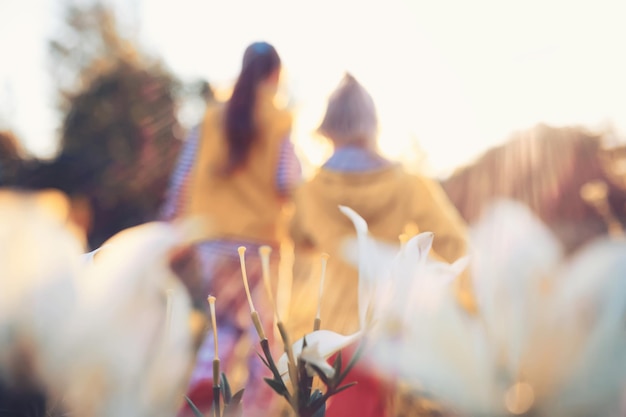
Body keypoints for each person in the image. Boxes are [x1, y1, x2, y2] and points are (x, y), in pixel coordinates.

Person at [287, 73, 468, 417]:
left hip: (328, 332)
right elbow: (455, 242)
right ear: (372, 127)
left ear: (327, 130)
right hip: (393, 328)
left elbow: (296, 239)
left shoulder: (309, 192)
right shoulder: (409, 184)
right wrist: (471, 307)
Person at [161, 41, 301, 417]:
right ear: (275, 75)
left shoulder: (209, 118)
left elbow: (183, 179)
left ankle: (199, 403)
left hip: (211, 244)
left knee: (221, 330)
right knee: (264, 342)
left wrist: (169, 227)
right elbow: (289, 182)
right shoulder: (279, 120)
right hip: (262, 248)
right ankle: (254, 412)